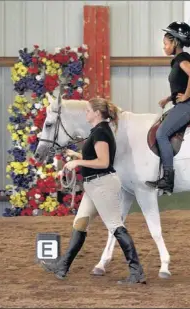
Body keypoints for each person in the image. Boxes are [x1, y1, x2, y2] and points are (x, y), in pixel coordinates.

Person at [40, 97, 146, 285]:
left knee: (115, 226)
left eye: (88, 110)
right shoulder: (98, 131)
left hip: (102, 185)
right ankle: (63, 266)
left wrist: (78, 162)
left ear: (97, 113)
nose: (86, 113)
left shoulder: (101, 133)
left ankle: (136, 271)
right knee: (80, 224)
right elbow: (96, 157)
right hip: (93, 185)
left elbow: (104, 162)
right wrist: (77, 155)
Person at [145, 21, 190, 194]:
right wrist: (169, 98)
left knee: (161, 134)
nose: (164, 47)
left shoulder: (182, 59)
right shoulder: (177, 61)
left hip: (188, 105)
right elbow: (182, 84)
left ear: (175, 43)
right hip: (182, 104)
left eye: (166, 43)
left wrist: (185, 97)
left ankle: (168, 179)